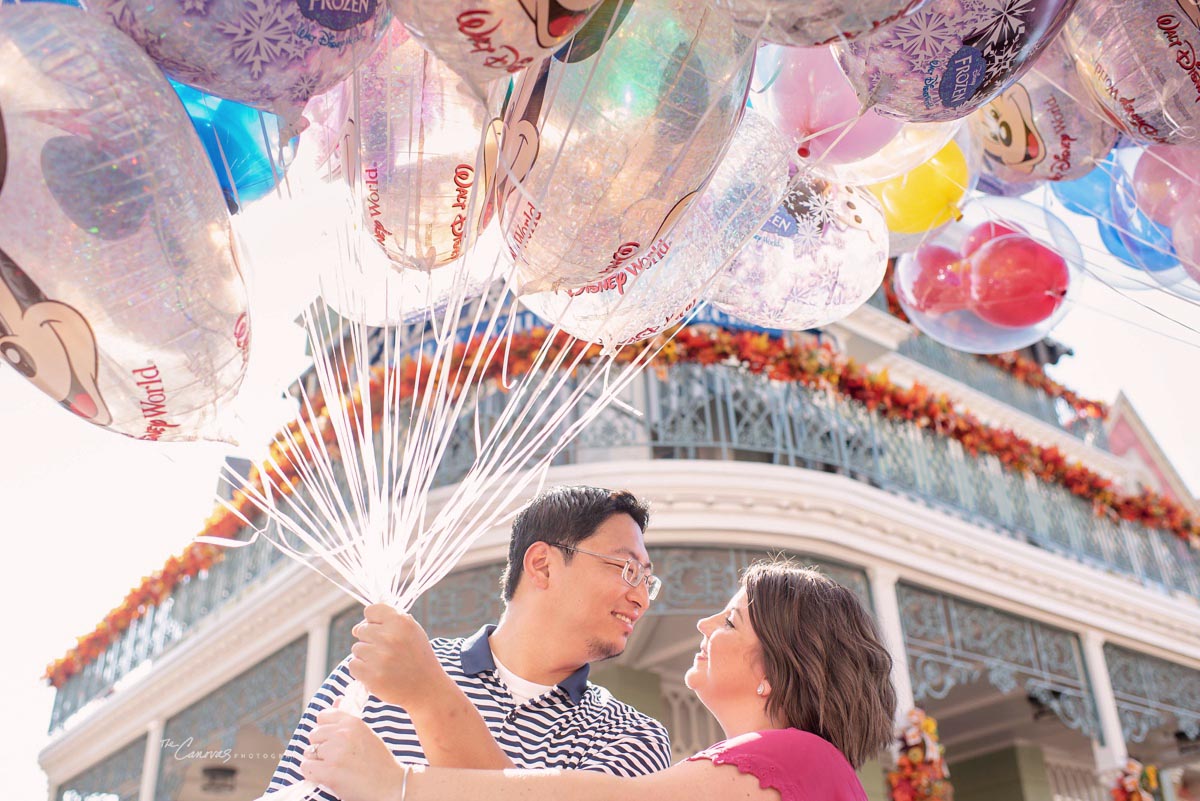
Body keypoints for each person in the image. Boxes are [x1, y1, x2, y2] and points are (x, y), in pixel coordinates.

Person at [300, 561, 897, 801]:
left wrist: (398, 784)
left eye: (733, 618)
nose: (705, 622)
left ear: (774, 669)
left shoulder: (795, 757)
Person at [268, 485, 672, 798]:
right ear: (543, 565)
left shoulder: (630, 736)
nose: (640, 595)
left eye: (645, 580)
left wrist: (428, 697)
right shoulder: (381, 674)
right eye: (627, 568)